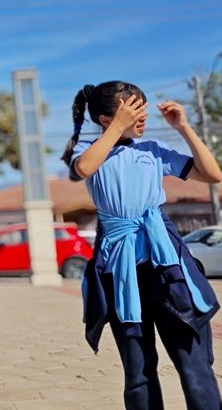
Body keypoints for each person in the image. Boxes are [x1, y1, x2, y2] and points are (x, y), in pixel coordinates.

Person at [61, 81, 222, 409]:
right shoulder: (89, 152)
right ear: (107, 119)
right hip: (120, 273)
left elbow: (213, 174)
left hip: (168, 267)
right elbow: (83, 168)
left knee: (194, 363)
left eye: (143, 110)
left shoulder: (152, 151)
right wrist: (117, 126)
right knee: (139, 372)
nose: (142, 118)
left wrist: (184, 128)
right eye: (134, 111)